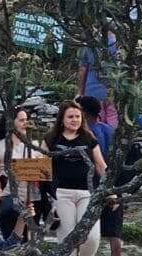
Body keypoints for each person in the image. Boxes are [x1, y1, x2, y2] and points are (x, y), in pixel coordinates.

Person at [46, 100, 107, 256]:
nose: (75, 120)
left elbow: (101, 165)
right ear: (62, 119)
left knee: (91, 237)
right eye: (70, 117)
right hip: (61, 194)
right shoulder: (51, 139)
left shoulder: (88, 137)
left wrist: (110, 190)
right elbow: (41, 165)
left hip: (87, 193)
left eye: (78, 116)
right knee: (67, 240)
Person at [0, 108, 42, 238]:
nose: (25, 123)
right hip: (7, 198)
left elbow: (42, 173)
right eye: (21, 120)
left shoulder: (34, 145)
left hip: (31, 200)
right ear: (10, 122)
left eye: (26, 120)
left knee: (26, 240)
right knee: (7, 237)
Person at [77, 96, 122, 256]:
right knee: (115, 232)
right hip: (113, 183)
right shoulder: (109, 129)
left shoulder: (86, 134)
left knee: (85, 230)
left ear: (84, 113)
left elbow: (97, 162)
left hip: (91, 185)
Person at [79, 29, 120, 127]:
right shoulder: (119, 42)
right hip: (113, 86)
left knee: (95, 118)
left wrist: (80, 91)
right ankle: (111, 135)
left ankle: (99, 136)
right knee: (112, 114)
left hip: (92, 89)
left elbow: (83, 69)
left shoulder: (89, 44)